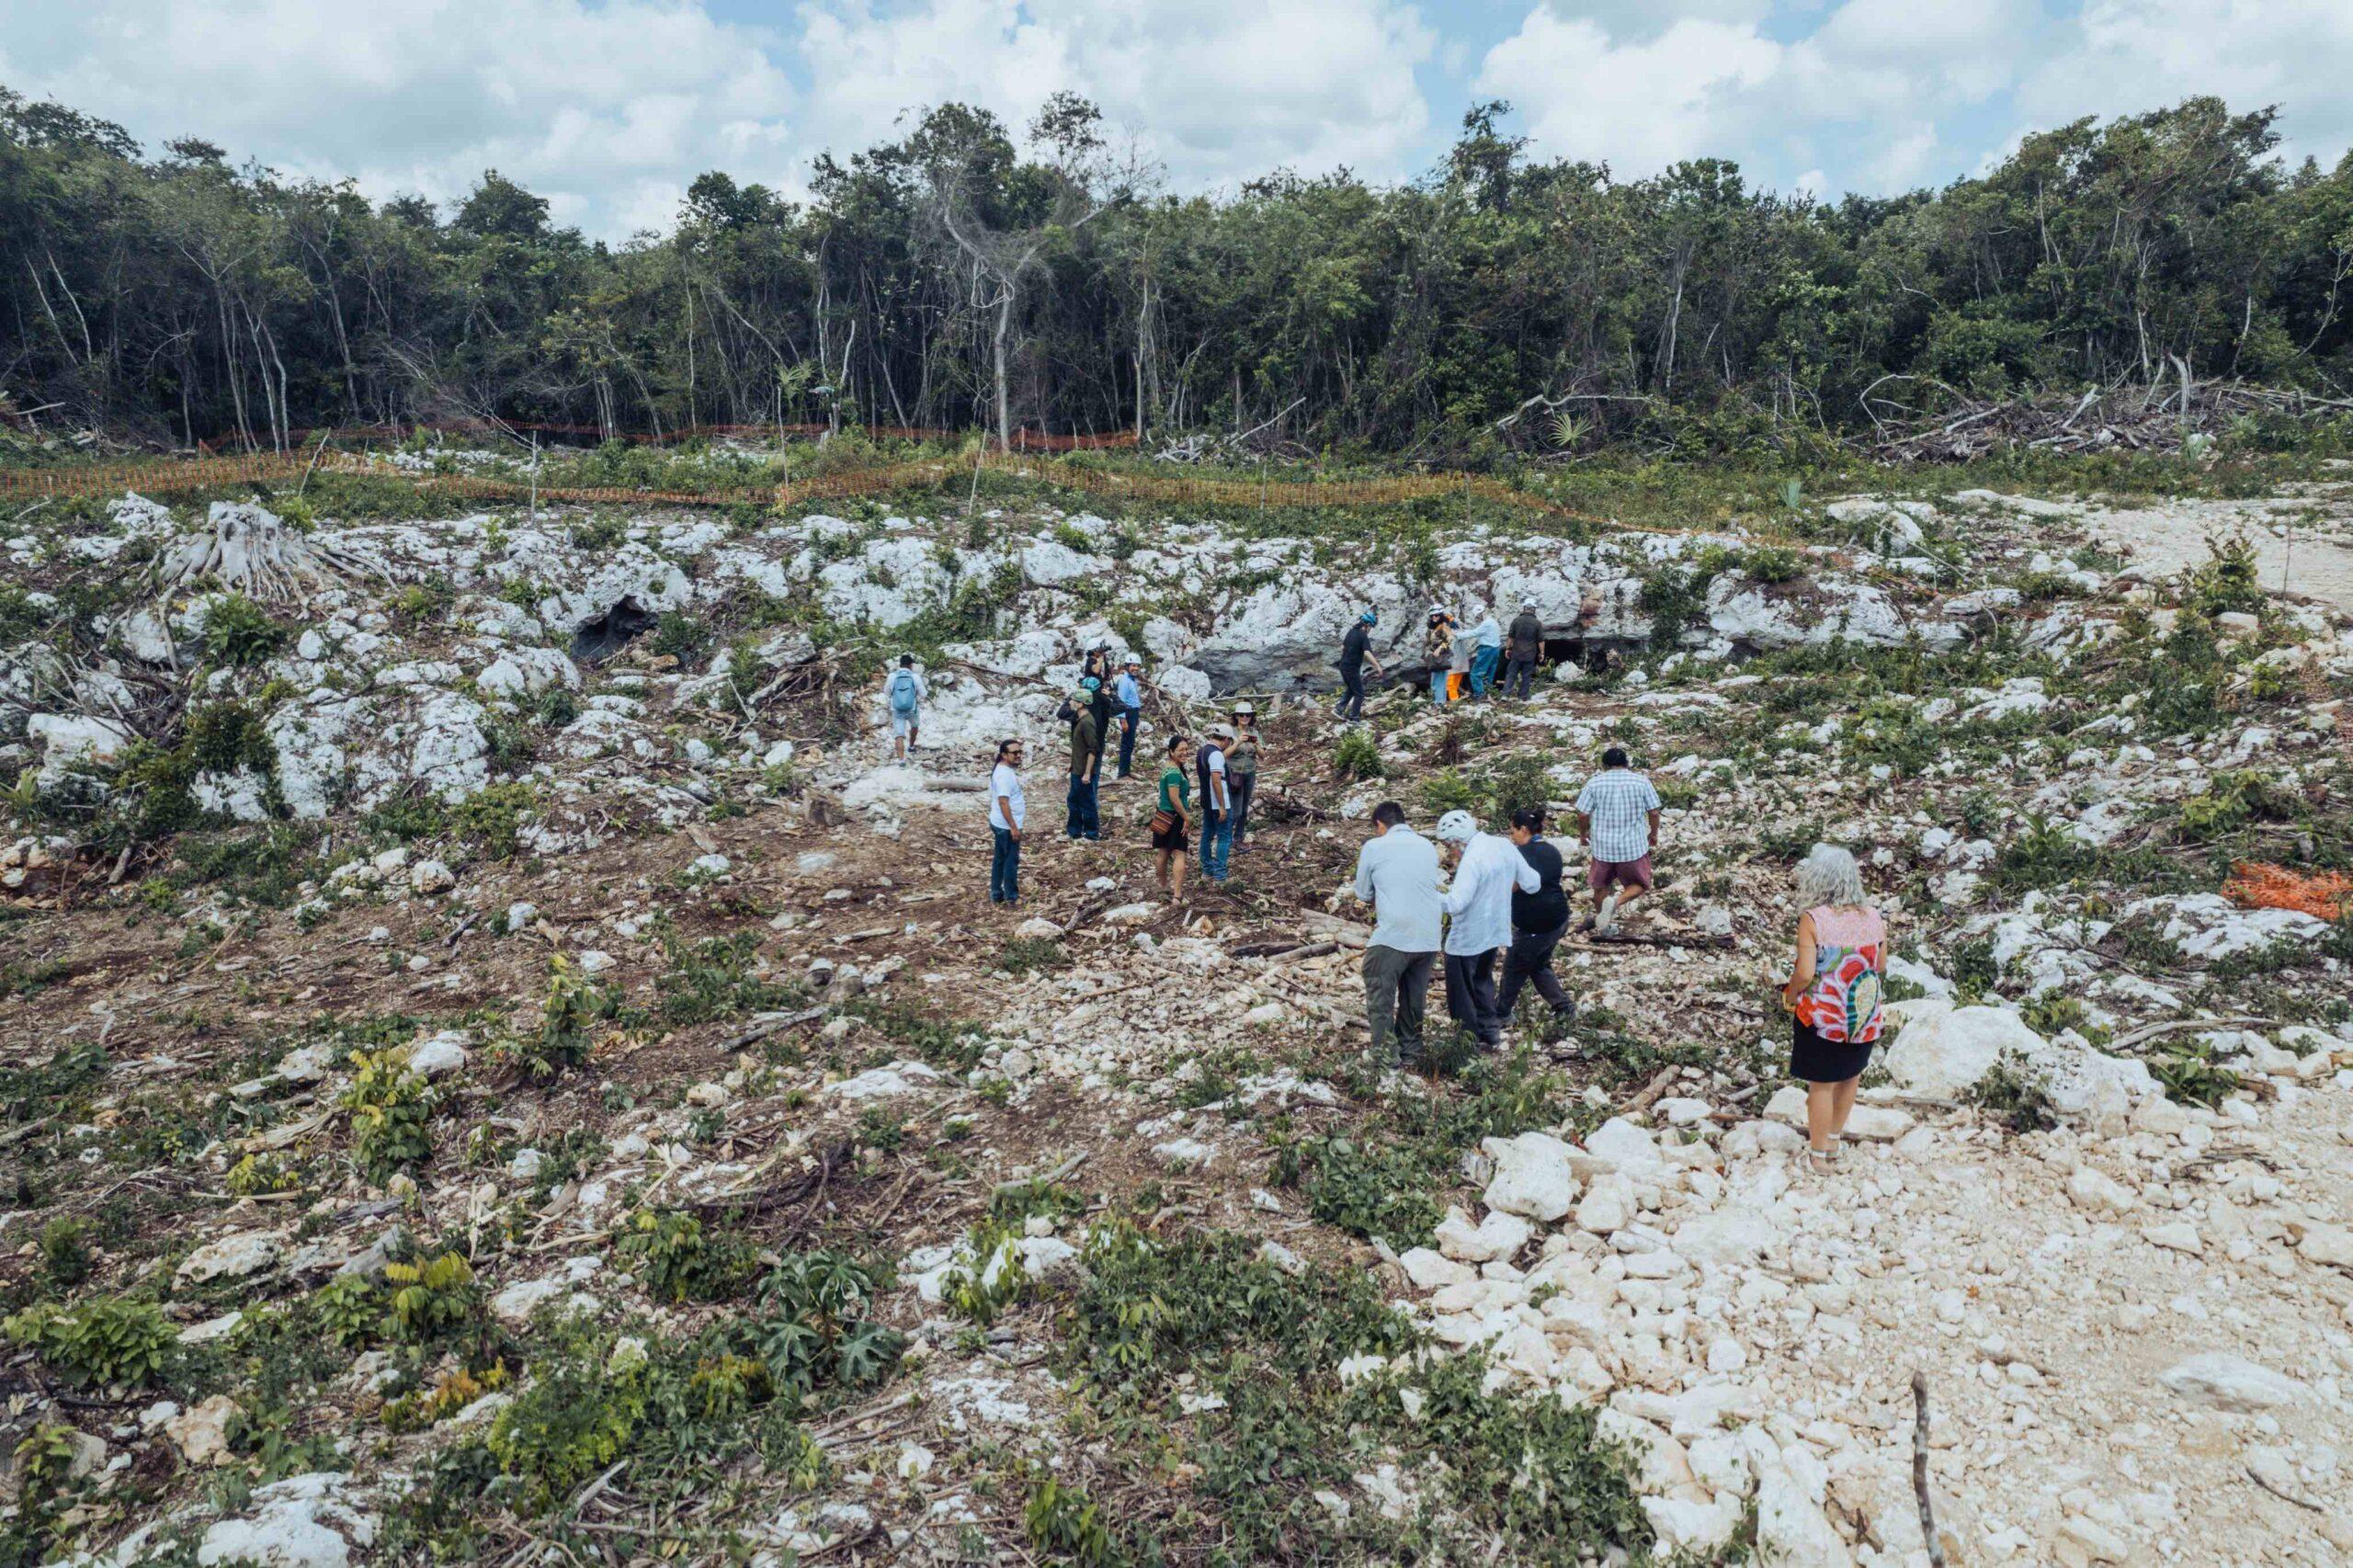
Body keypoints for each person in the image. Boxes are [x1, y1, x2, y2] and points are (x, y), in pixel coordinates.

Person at [1779, 845, 1888, 1175]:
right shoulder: (1873, 917)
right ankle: (1833, 1143)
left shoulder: (1814, 919)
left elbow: (1805, 973)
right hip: (1863, 1014)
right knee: (1850, 1076)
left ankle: (1817, 1156)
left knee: (1822, 1084)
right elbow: (1880, 966)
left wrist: (1791, 993)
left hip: (1823, 1016)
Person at [1435, 809, 1538, 1051]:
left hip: (1467, 938)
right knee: (1483, 982)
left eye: (1449, 845)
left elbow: (1456, 904)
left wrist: (1426, 896)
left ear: (1457, 841)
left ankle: (1466, 1044)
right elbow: (1533, 883)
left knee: (1461, 993)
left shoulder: (1472, 859)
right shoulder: (1503, 845)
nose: (1450, 851)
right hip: (1495, 931)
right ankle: (1490, 1034)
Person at [1352, 801, 1441, 1066]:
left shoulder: (1374, 847)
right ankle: (1411, 1051)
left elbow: (1363, 893)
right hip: (1428, 936)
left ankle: (1385, 1055)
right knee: (1414, 998)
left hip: (1394, 935)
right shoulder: (1427, 845)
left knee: (1380, 995)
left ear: (1380, 824)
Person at [1498, 807, 1575, 1025]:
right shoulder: (1552, 851)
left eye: (1513, 831)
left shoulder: (1521, 855)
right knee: (1538, 964)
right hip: (1559, 918)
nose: (1512, 837)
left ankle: (1501, 1013)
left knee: (1514, 967)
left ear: (1523, 829)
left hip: (1537, 925)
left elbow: (1513, 886)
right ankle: (1563, 1006)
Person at [1575, 745, 1663, 934]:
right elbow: (1654, 812)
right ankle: (1616, 902)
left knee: (1600, 887)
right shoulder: (1641, 781)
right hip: (1632, 847)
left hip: (1603, 848)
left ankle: (1604, 928)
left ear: (1604, 765)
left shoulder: (1594, 783)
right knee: (1640, 884)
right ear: (1626, 763)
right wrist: (1654, 834)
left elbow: (1582, 814)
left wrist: (1583, 834)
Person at [1056, 683, 1102, 840]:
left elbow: (1092, 749)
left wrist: (1087, 773)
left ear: (1080, 704)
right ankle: (1074, 832)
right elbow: (1079, 746)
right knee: (1073, 800)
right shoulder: (1080, 719)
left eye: (1074, 700)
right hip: (1077, 768)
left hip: (1083, 771)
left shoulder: (1087, 722)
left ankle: (1092, 834)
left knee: (1087, 802)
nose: (1070, 703)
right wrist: (1072, 763)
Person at [1152, 733, 1191, 901]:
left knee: (1163, 851)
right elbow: (1174, 798)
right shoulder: (1174, 772)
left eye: (1186, 749)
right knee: (1179, 853)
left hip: (1162, 815)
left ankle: (1162, 886)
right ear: (1171, 751)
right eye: (1180, 750)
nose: (1185, 752)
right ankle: (1177, 894)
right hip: (1175, 817)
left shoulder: (1168, 767)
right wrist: (1186, 818)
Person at [987, 738, 1026, 904]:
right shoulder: (1003, 775)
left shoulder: (1005, 770)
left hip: (1001, 823)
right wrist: (1013, 827)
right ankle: (1011, 897)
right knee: (1010, 861)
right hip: (1005, 826)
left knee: (1000, 858)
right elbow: (1003, 802)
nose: (1018, 755)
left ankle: (996, 894)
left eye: (1020, 752)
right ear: (1004, 754)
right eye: (1014, 753)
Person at [1195, 724, 1234, 883]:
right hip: (1217, 802)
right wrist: (1222, 806)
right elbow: (1216, 781)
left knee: (1207, 835)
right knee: (1224, 837)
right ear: (1225, 739)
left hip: (1207, 801)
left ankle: (1207, 870)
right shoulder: (1216, 754)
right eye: (1230, 741)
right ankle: (1220, 875)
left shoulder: (1202, 751)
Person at [1336, 609, 1383, 722]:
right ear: (1367, 625)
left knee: (1352, 689)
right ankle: (1354, 719)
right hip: (1352, 668)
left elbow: (1343, 647)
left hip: (1343, 666)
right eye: (1370, 627)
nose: (1370, 630)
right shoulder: (1363, 636)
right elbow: (1367, 653)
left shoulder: (1351, 632)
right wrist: (1377, 666)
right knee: (1360, 693)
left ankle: (1338, 709)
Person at [1226, 701, 1260, 849]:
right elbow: (1224, 754)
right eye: (1241, 715)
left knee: (1244, 808)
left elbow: (1263, 756)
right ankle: (1225, 837)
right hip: (1235, 774)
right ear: (1236, 716)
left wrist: (1256, 744)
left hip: (1250, 773)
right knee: (1236, 810)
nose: (1245, 717)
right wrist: (1238, 742)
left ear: (1251, 716)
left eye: (1248, 715)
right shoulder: (1230, 732)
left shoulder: (1254, 732)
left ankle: (1238, 838)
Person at [882, 654, 926, 761]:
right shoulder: (915, 677)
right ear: (911, 665)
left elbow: (886, 692)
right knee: (914, 726)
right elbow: (923, 694)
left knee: (899, 734)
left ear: (900, 664)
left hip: (897, 709)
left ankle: (901, 760)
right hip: (912, 708)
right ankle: (911, 746)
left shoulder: (892, 676)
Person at [1504, 603, 1544, 700]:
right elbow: (1541, 640)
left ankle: (1505, 695)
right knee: (1526, 675)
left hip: (1516, 653)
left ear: (1524, 608)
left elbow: (1510, 637)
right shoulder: (1537, 623)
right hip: (1530, 654)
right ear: (1534, 609)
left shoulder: (1516, 621)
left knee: (1511, 674)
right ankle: (1523, 696)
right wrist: (1542, 653)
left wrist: (1508, 649)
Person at [1114, 658, 1144, 779]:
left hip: (1133, 712)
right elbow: (1121, 701)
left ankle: (1126, 771)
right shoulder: (1125, 680)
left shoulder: (1132, 680)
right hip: (1128, 713)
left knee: (1130, 743)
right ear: (1127, 666)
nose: (1135, 668)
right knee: (1126, 744)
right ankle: (1122, 773)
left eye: (1137, 666)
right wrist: (1123, 720)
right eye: (1133, 666)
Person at [1468, 608, 1504, 699]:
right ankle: (1488, 692)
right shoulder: (1493, 622)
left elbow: (1475, 632)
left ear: (1480, 615)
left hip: (1486, 649)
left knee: (1475, 673)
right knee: (1490, 673)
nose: (1477, 619)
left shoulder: (1486, 623)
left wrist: (1458, 635)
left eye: (1477, 617)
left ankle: (1479, 694)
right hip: (1496, 649)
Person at [1424, 608, 1456, 704]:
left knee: (1440, 680)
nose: (1434, 617)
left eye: (1437, 615)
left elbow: (1450, 638)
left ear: (1441, 615)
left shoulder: (1444, 625)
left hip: (1442, 656)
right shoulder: (1432, 627)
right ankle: (1437, 701)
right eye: (1432, 615)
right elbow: (1428, 641)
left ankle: (1440, 702)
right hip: (1434, 657)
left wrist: (1440, 648)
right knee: (1435, 680)